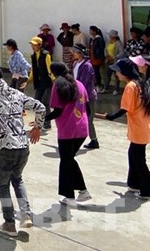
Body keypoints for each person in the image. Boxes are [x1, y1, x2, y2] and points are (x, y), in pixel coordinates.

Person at [0, 65, 45, 238]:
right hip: (22, 145)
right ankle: (26, 214)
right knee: (17, 179)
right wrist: (37, 127)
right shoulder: (16, 93)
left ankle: (10, 223)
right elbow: (40, 107)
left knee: (3, 185)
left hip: (5, 147)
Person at [96, 58, 150, 201]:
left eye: (117, 71)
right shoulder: (140, 83)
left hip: (139, 128)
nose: (116, 74)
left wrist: (110, 117)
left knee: (139, 160)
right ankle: (133, 184)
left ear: (124, 72)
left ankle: (148, 191)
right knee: (133, 155)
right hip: (144, 126)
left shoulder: (131, 86)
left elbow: (124, 109)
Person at [47, 62, 91, 206]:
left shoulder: (57, 86)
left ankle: (69, 196)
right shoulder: (80, 84)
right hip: (82, 129)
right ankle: (83, 191)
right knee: (69, 159)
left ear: (53, 73)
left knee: (66, 162)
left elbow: (57, 111)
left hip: (67, 130)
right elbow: (88, 108)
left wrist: (41, 120)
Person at [70, 44, 99, 150]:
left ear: (80, 53)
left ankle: (94, 140)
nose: (73, 53)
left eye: (75, 51)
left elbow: (84, 83)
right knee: (77, 118)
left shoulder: (87, 66)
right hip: (78, 95)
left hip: (88, 97)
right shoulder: (75, 64)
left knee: (88, 120)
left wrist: (78, 95)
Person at [28, 36, 53, 130]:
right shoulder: (33, 56)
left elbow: (50, 69)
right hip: (39, 83)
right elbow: (33, 71)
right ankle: (39, 121)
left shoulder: (46, 55)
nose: (33, 47)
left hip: (47, 82)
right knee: (37, 101)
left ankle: (47, 123)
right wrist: (28, 81)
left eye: (34, 45)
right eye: (32, 45)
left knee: (45, 102)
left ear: (40, 45)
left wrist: (54, 80)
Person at [102, 29, 125, 94]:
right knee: (107, 75)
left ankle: (116, 89)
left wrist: (114, 57)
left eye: (110, 35)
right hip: (108, 61)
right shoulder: (108, 42)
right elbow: (105, 50)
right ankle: (105, 88)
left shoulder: (119, 43)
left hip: (115, 62)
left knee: (116, 76)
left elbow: (121, 53)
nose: (109, 36)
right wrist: (107, 56)